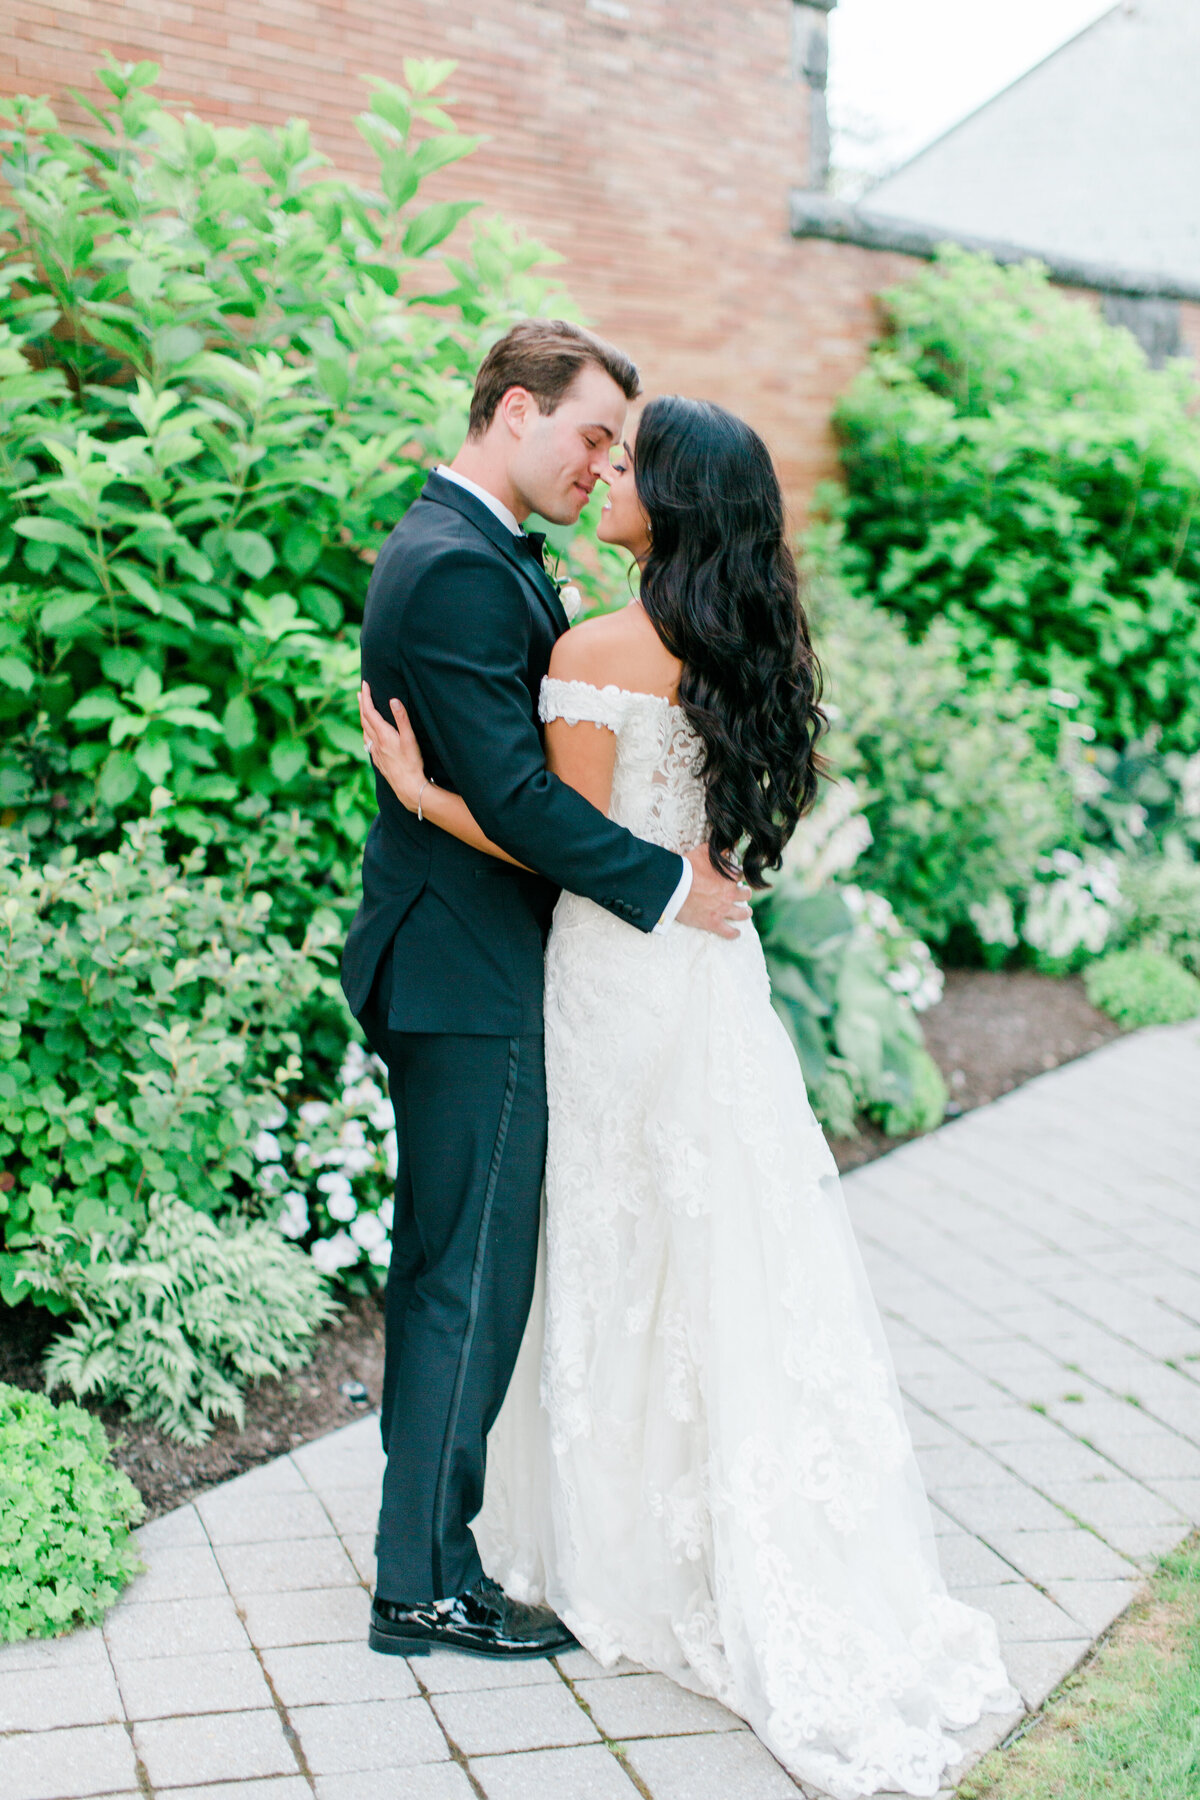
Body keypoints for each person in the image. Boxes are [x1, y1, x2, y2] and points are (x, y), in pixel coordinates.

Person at [358, 393, 1020, 1798]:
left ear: (674, 503)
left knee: (611, 1254)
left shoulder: (604, 647)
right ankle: (698, 1528)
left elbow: (563, 838)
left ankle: (607, 1543)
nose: (606, 475)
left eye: (629, 464)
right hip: (711, 988)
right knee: (714, 1254)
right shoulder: (748, 647)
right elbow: (695, 838)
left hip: (613, 983)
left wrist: (422, 797)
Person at [342, 321, 748, 1664]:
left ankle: (425, 1552)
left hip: (460, 954)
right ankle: (425, 1585)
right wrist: (662, 884)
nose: (600, 465)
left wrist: (424, 796)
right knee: (468, 1275)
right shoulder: (456, 568)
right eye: (587, 435)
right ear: (514, 412)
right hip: (467, 966)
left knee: (448, 1267)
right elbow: (519, 797)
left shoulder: (475, 553)